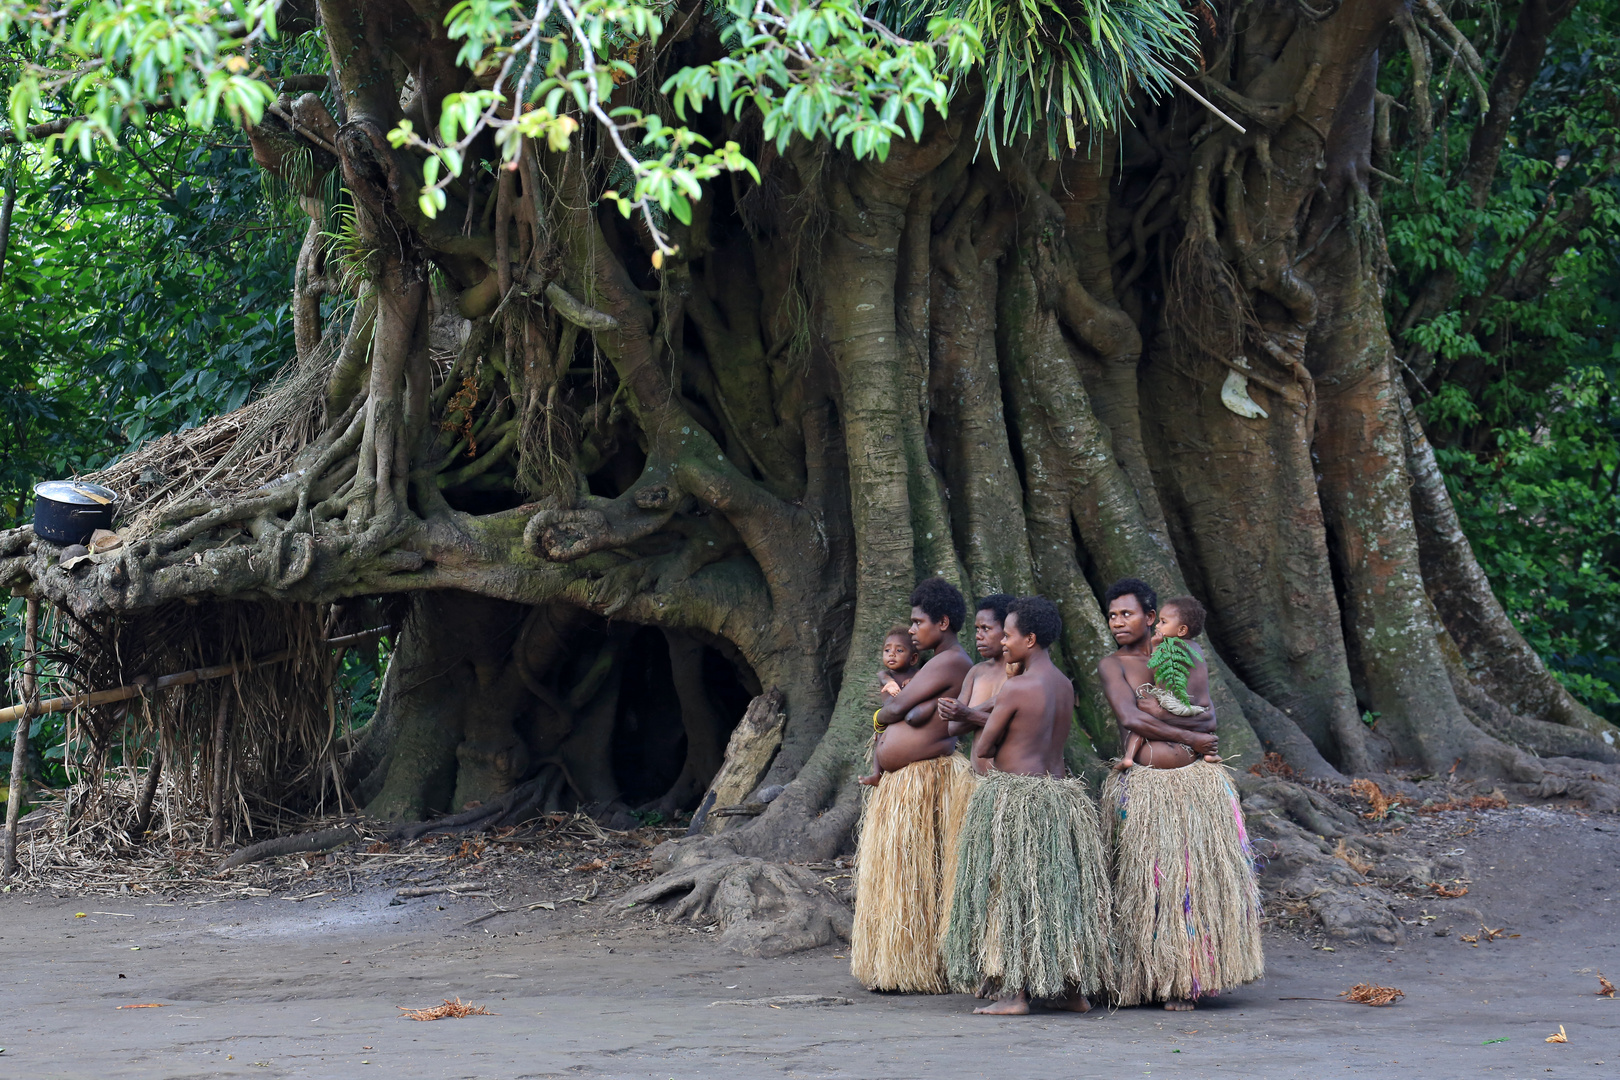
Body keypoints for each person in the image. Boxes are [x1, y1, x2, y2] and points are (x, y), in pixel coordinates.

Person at [1096, 578, 1263, 1012]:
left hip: (1191, 787)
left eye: (1127, 613)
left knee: (1185, 885)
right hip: (1145, 789)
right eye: (1112, 615)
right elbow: (1131, 715)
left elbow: (1207, 714)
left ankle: (1185, 980)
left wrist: (1198, 735)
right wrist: (1195, 737)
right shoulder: (1112, 665)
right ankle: (1139, 977)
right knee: (1142, 886)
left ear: (1153, 619)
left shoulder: (1184, 655)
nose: (1117, 622)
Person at [941, 596, 1112, 1016]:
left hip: (1017, 799)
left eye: (1010, 636)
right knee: (1057, 895)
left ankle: (1015, 995)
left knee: (1015, 894)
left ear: (1029, 639)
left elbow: (984, 744)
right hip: (1058, 797)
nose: (1003, 644)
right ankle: (1073, 991)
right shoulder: (1064, 685)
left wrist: (987, 720)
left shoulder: (1017, 687)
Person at [849, 578, 976, 993]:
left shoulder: (950, 660)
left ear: (942, 622)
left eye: (918, 622)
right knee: (902, 874)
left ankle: (919, 966)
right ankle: (900, 963)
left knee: (918, 874)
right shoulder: (938, 662)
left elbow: (897, 707)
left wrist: (889, 715)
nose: (912, 631)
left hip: (925, 783)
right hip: (906, 783)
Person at [1113, 595, 1221, 770]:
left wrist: (1155, 646)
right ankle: (1211, 754)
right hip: (1198, 709)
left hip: (1176, 704)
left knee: (1143, 716)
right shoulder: (1196, 648)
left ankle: (1128, 757)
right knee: (1201, 729)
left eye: (1163, 622)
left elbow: (1160, 674)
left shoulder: (1170, 646)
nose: (1157, 626)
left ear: (1181, 630)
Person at [936, 593, 1016, 743]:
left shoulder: (1022, 672)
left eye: (986, 628)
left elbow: (1018, 730)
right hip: (977, 767)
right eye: (977, 629)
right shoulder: (977, 671)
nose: (978, 636)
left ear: (1008, 629)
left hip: (1016, 767)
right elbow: (953, 727)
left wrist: (968, 714)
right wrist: (990, 704)